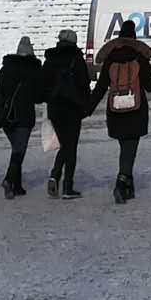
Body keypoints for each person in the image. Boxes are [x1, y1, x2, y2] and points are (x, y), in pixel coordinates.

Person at [89, 19, 151, 204]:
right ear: (134, 37)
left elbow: (101, 87)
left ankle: (129, 186)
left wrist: (88, 108)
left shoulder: (110, 59)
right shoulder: (139, 58)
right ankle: (121, 182)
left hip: (115, 110)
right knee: (131, 146)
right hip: (136, 108)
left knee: (125, 147)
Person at [0, 36, 43, 199]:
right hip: (24, 115)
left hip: (6, 116)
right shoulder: (34, 70)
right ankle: (9, 180)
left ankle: (17, 185)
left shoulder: (6, 68)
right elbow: (38, 95)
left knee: (16, 148)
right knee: (19, 150)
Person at [43, 29, 92, 199]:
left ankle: (54, 175)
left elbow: (44, 83)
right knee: (71, 147)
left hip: (55, 108)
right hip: (72, 107)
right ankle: (67, 187)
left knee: (65, 144)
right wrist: (87, 105)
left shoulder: (50, 59)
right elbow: (84, 83)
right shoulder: (76, 59)